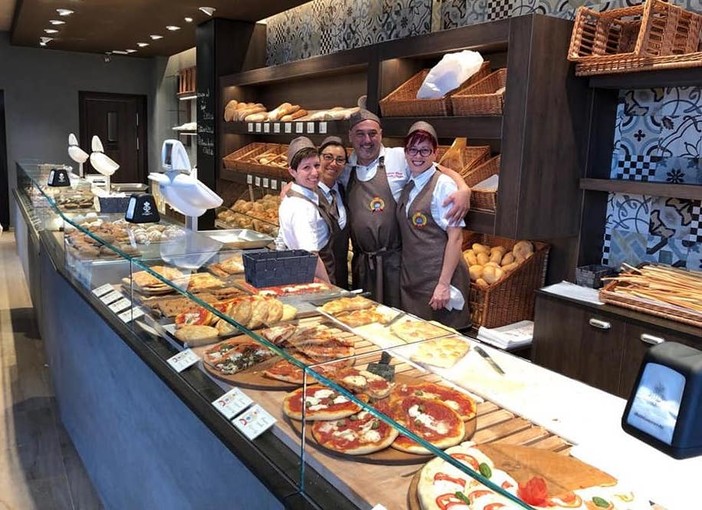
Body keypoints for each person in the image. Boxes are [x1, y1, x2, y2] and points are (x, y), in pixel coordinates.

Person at [341, 109, 471, 308]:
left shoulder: (399, 158)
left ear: (381, 134)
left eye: (373, 133)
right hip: (363, 264)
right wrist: (292, 186)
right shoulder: (345, 168)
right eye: (360, 134)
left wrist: (463, 188)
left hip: (395, 264)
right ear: (350, 136)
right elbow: (322, 179)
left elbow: (437, 168)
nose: (367, 140)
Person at [395, 121, 471, 329]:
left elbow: (455, 238)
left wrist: (444, 285)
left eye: (425, 150)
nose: (418, 156)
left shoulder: (443, 185)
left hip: (437, 280)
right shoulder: (411, 180)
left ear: (435, 153)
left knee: (442, 346)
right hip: (414, 278)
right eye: (413, 149)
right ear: (406, 152)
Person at [277, 136, 330, 283]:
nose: (314, 172)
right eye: (306, 167)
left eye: (317, 165)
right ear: (292, 172)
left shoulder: (294, 195)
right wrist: (330, 289)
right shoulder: (301, 207)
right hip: (314, 276)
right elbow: (310, 256)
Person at [315, 136, 350, 289]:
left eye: (340, 160)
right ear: (318, 158)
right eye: (328, 157)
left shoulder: (343, 190)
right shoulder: (309, 195)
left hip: (341, 275)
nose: (333, 164)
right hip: (317, 276)